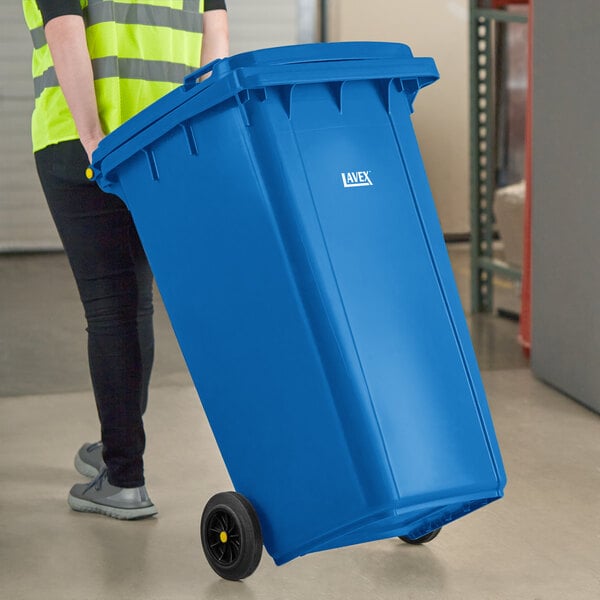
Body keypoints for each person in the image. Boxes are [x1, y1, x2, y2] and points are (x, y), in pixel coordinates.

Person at [22, 0, 229, 520]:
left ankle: (124, 476)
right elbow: (216, 36)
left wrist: (92, 135)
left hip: (86, 141)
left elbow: (66, 29)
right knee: (135, 302)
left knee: (112, 306)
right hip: (168, 137)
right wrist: (200, 131)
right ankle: (120, 442)